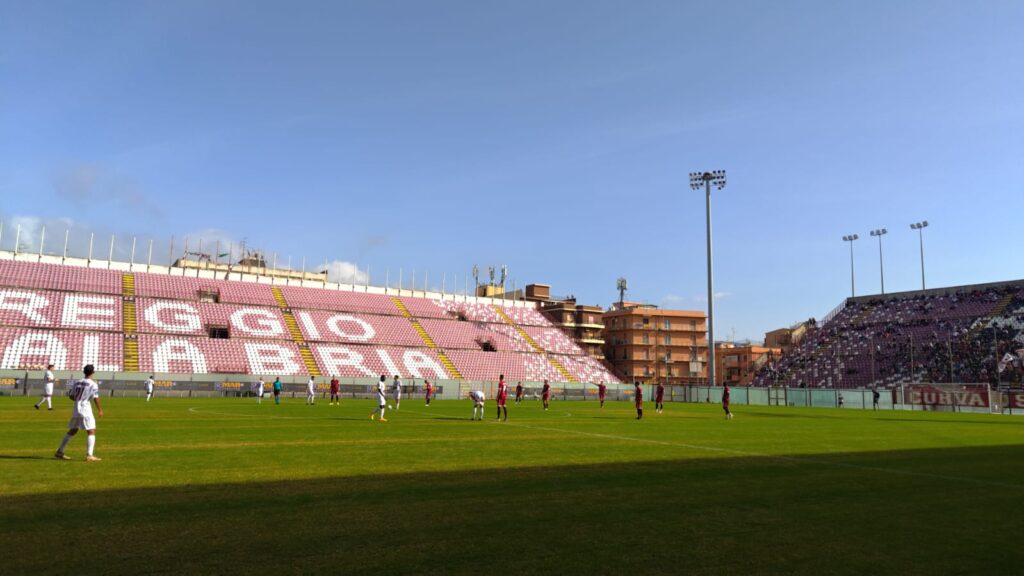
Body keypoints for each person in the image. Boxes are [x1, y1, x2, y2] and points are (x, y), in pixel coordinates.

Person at [54, 364, 103, 462]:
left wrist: (78, 399)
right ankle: (89, 455)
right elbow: (95, 398)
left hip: (76, 408)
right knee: (91, 431)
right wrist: (100, 410)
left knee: (73, 430)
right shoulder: (93, 384)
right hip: (85, 408)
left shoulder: (77, 382)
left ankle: (60, 451)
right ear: (93, 372)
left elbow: (71, 396)